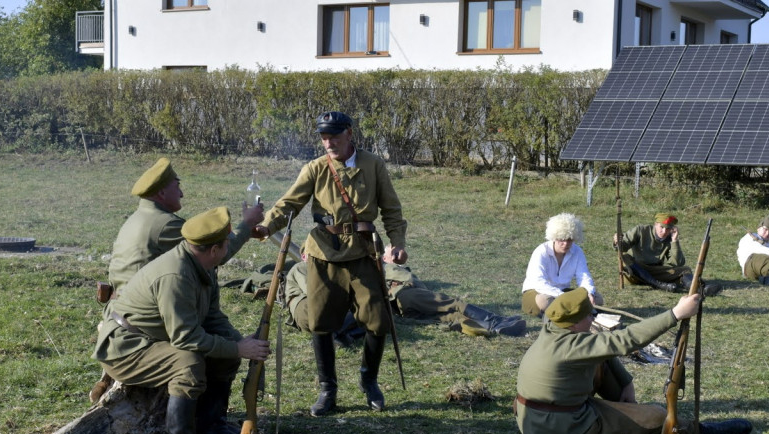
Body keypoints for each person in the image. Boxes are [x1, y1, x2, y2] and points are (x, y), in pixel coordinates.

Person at [92, 207, 271, 434]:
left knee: (224, 352)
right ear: (214, 250)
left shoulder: (203, 265)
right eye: (225, 245)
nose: (228, 249)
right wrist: (238, 347)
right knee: (187, 363)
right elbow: (186, 337)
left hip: (152, 340)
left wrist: (240, 345)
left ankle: (210, 428)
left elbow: (211, 317)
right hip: (126, 347)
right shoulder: (176, 275)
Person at [253, 111, 408, 417]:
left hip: (364, 253)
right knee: (320, 322)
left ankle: (369, 381)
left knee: (378, 320)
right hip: (324, 254)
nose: (329, 143)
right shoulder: (315, 168)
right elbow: (289, 204)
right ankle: (328, 389)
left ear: (350, 133)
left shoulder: (373, 165)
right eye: (324, 138)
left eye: (334, 137)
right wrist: (266, 226)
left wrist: (398, 242)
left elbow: (391, 207)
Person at [514, 288, 752, 434]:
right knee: (657, 416)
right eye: (591, 315)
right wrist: (676, 314)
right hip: (563, 428)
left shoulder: (554, 330)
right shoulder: (571, 346)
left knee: (602, 358)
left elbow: (602, 351)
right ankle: (696, 431)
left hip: (540, 419)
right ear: (575, 324)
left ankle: (622, 409)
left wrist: (625, 382)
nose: (593, 319)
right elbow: (625, 340)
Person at [285, 249, 526, 339]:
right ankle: (490, 325)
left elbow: (404, 279)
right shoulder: (301, 268)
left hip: (399, 295)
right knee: (443, 312)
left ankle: (494, 323)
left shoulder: (379, 266)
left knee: (445, 305)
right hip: (392, 303)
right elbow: (322, 297)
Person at [107, 157, 264, 293]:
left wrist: (246, 230)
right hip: (142, 312)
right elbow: (216, 254)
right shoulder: (166, 225)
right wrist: (247, 224)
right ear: (161, 193)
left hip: (124, 304)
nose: (181, 194)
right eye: (177, 187)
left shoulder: (138, 218)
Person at [613, 212, 721, 296]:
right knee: (625, 258)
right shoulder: (641, 230)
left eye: (668, 228)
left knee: (685, 269)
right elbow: (622, 248)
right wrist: (617, 241)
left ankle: (698, 289)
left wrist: (674, 241)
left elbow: (677, 263)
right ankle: (658, 285)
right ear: (655, 225)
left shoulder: (669, 239)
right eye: (662, 227)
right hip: (635, 272)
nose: (664, 231)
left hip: (655, 272)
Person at [522, 213, 604, 317]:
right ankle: (574, 311)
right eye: (561, 239)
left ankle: (566, 311)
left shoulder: (577, 251)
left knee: (598, 299)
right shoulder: (541, 252)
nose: (565, 244)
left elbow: (583, 276)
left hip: (562, 292)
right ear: (554, 237)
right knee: (545, 301)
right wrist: (564, 297)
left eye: (569, 239)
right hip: (537, 292)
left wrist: (588, 293)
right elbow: (538, 282)